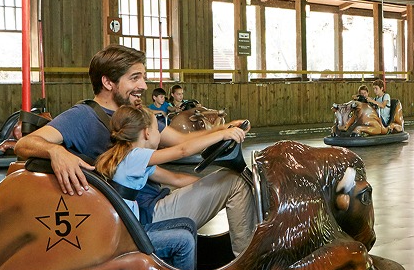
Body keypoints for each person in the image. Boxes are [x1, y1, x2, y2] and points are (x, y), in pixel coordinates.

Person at [15, 44, 257, 257]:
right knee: (235, 183)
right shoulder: (83, 117)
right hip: (141, 217)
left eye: (143, 77)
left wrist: (224, 128)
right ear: (108, 82)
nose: (143, 85)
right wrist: (57, 152)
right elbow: (25, 144)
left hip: (155, 202)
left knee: (226, 181)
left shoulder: (134, 115)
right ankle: (248, 263)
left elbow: (183, 139)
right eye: (134, 78)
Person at [95, 106, 246, 270]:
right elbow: (182, 150)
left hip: (132, 228)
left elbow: (176, 178)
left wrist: (213, 185)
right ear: (146, 133)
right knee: (184, 240)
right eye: (156, 129)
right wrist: (222, 134)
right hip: (127, 237)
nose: (159, 134)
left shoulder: (132, 159)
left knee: (187, 225)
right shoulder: (135, 156)